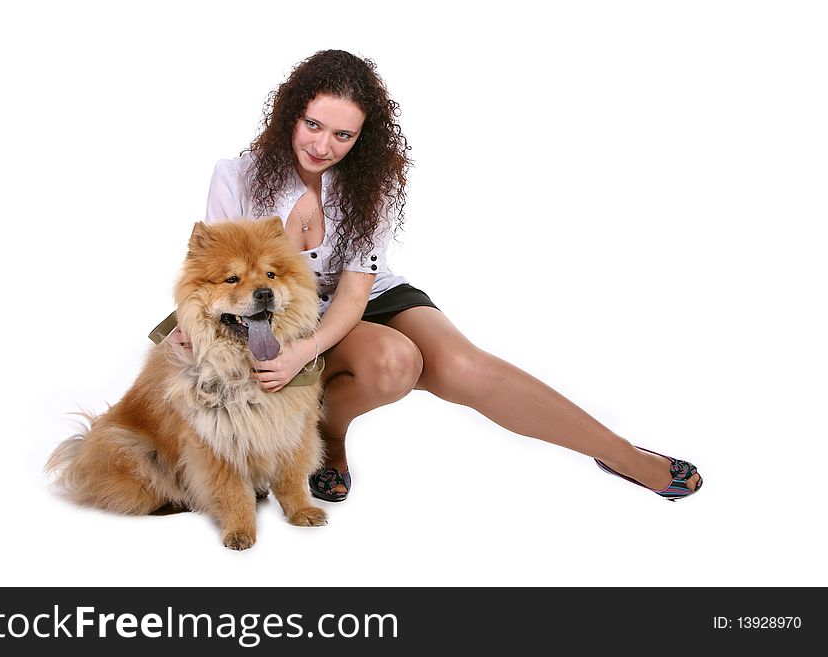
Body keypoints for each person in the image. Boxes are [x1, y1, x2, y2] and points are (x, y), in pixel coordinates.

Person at [197, 49, 703, 503]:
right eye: (313, 125)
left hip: (364, 298)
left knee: (463, 365)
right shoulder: (236, 177)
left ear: (361, 138)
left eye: (343, 134)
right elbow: (221, 275)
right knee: (394, 365)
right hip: (284, 314)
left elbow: (355, 295)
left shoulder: (368, 187)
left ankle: (620, 454)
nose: (323, 145)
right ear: (292, 113)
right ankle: (326, 434)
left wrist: (303, 355)